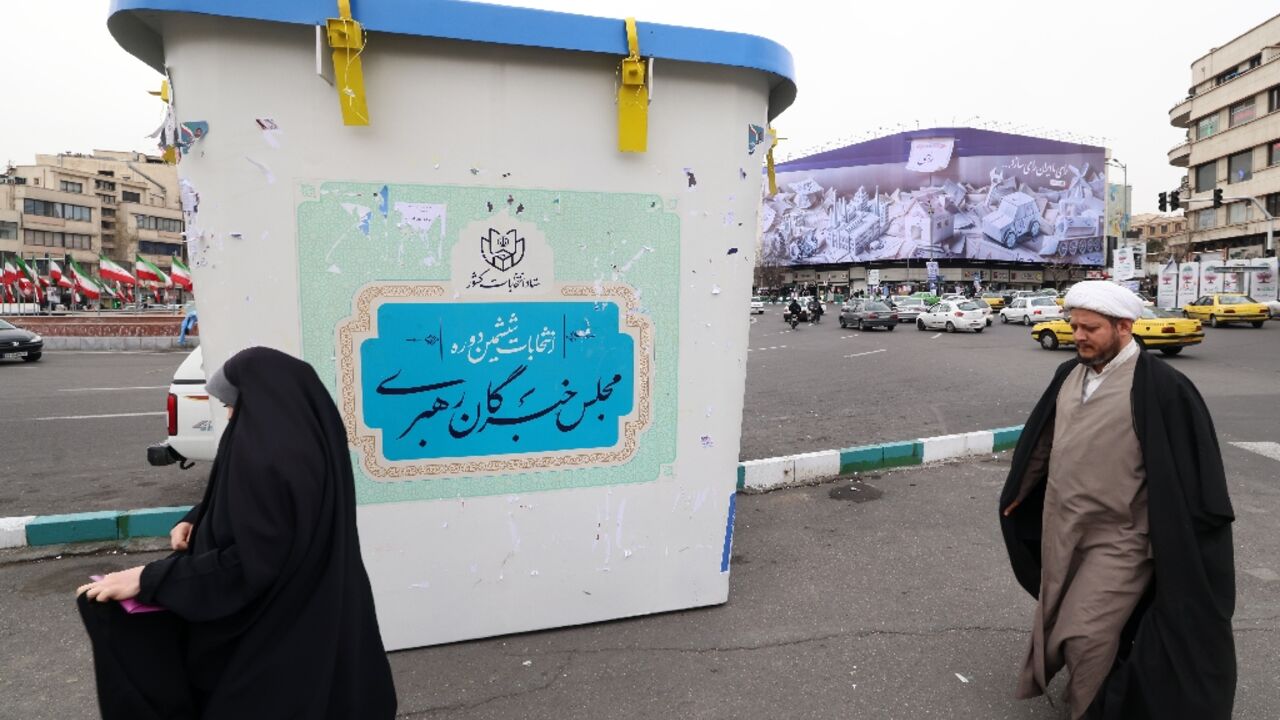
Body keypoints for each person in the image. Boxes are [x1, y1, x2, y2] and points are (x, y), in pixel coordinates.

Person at [76, 347, 397, 719]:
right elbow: (269, 510)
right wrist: (199, 516)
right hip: (318, 604)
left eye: (233, 403)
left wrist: (149, 579)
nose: (229, 414)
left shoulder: (269, 459)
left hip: (276, 632)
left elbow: (250, 565)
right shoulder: (309, 439)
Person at [999, 281, 1235, 720]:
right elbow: (1044, 442)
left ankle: (1089, 708)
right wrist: (1020, 494)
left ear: (1123, 327)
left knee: (1083, 633)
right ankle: (1102, 681)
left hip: (1122, 536)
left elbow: (1193, 472)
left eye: (1090, 328)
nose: (1079, 337)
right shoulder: (1068, 374)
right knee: (1058, 611)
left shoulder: (1161, 387)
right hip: (1063, 525)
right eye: (1075, 327)